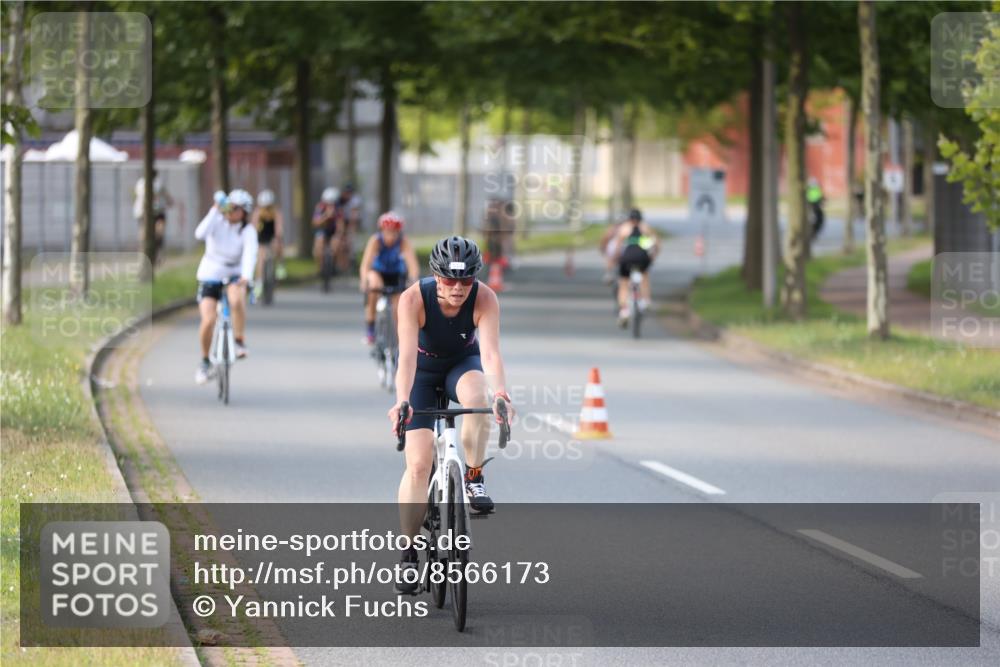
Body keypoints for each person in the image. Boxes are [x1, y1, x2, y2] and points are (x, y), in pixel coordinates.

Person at [387, 236, 514, 593]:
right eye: (448, 280)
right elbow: (406, 359)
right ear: (435, 276)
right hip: (422, 374)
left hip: (462, 364)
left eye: (466, 280)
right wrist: (402, 401)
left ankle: (473, 476)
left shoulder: (485, 298)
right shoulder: (413, 299)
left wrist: (501, 393)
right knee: (418, 465)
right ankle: (409, 554)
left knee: (479, 397)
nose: (457, 288)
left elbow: (490, 354)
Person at [194, 189, 258, 384]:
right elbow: (199, 233)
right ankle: (205, 362)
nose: (231, 211)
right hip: (211, 272)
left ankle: (239, 341)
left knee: (236, 300)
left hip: (234, 272)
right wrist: (214, 209)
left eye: (236, 208)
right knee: (208, 319)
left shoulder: (247, 230)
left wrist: (246, 276)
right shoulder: (217, 221)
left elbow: (250, 253)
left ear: (244, 212)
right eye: (229, 207)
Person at [358, 211, 420, 344]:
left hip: (396, 274)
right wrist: (364, 281)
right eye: (387, 232)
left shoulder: (403, 242)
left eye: (394, 232)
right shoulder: (375, 241)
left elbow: (413, 266)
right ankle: (370, 328)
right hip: (378, 272)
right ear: (382, 230)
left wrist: (413, 281)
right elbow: (365, 265)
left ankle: (399, 337)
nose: (391, 236)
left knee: (400, 305)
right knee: (374, 286)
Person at [614, 208, 660, 327]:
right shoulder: (645, 228)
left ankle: (624, 311)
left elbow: (618, 247)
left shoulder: (624, 228)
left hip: (627, 259)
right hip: (642, 258)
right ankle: (646, 300)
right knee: (644, 276)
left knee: (624, 283)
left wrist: (616, 258)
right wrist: (654, 256)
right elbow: (656, 243)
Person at [133, 169, 174, 261]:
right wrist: (169, 201)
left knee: (148, 234)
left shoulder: (141, 183)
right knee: (154, 234)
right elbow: (164, 195)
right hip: (148, 212)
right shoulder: (154, 183)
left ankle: (148, 253)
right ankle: (150, 253)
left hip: (151, 212)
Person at [252, 189, 285, 297]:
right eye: (264, 206)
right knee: (260, 259)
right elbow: (253, 226)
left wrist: (278, 236)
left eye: (268, 206)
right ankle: (259, 283)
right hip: (261, 237)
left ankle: (280, 265)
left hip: (272, 236)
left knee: (278, 244)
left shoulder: (276, 212)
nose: (266, 209)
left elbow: (279, 226)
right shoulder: (258, 212)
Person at [312, 187, 342, 274]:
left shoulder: (338, 209)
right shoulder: (320, 208)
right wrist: (326, 216)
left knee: (336, 245)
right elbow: (315, 222)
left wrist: (338, 234)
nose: (330, 205)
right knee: (318, 246)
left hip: (333, 230)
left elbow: (340, 224)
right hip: (322, 230)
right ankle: (320, 267)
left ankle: (334, 265)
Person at [599, 217, 624, 284]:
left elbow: (605, 239)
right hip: (615, 247)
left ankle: (610, 275)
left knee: (611, 261)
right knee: (611, 261)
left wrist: (603, 248)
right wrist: (603, 247)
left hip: (617, 248)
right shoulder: (613, 229)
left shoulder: (614, 229)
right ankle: (609, 275)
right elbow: (605, 238)